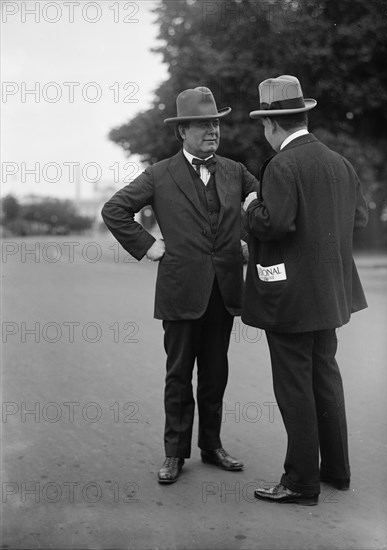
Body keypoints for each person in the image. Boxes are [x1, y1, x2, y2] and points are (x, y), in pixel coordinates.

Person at [102, 86, 258, 484]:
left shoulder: (235, 171)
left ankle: (212, 446)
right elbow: (115, 209)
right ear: (181, 132)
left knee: (215, 374)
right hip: (179, 291)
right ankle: (174, 453)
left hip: (224, 292)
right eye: (202, 124)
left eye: (215, 123)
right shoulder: (159, 173)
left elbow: (264, 202)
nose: (212, 130)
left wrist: (248, 241)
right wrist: (149, 245)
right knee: (178, 376)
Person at [242, 75, 368, 505]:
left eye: (263, 124)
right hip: (331, 294)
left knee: (294, 388)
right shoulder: (339, 162)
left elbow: (273, 223)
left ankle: (300, 482)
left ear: (273, 124)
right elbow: (361, 219)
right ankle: (336, 471)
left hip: (290, 299)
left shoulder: (282, 165)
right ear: (302, 116)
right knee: (326, 381)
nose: (264, 132)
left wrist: (250, 207)